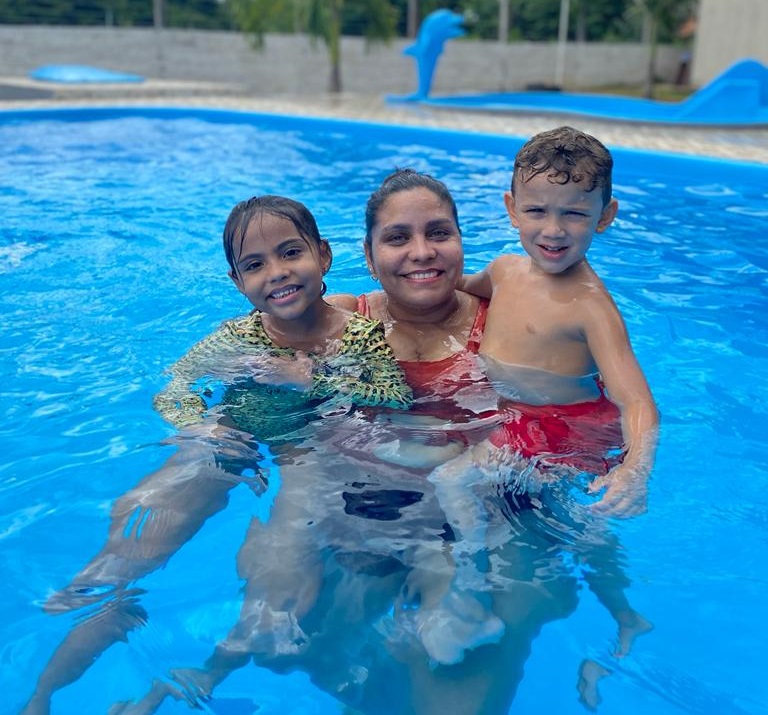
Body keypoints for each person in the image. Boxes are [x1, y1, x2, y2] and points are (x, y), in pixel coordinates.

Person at [116, 170, 583, 715]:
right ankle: (209, 669)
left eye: (438, 232)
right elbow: (247, 355)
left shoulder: (509, 324)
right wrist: (208, 425)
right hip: (367, 512)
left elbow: (566, 425)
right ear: (367, 254)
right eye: (397, 237)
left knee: (452, 672)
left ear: (461, 239)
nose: (421, 252)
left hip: (484, 514)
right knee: (300, 643)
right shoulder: (341, 320)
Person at [19, 194, 412, 715]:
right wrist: (199, 427)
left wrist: (311, 379)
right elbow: (175, 387)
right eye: (255, 265)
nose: (276, 272)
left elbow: (394, 395)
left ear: (323, 255)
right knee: (145, 512)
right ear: (237, 282)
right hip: (233, 435)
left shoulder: (359, 336)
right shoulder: (236, 337)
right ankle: (53, 676)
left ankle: (210, 665)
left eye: (290, 252)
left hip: (306, 446)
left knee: (285, 562)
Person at [426, 126, 658, 670]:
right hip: (517, 417)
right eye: (536, 210)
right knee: (580, 526)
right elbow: (455, 290)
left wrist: (636, 470)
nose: (553, 230)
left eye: (574, 214)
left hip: (563, 425)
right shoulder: (505, 271)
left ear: (605, 216)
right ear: (512, 208)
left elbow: (638, 401)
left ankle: (470, 593)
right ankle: (625, 614)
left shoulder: (591, 307)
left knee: (451, 481)